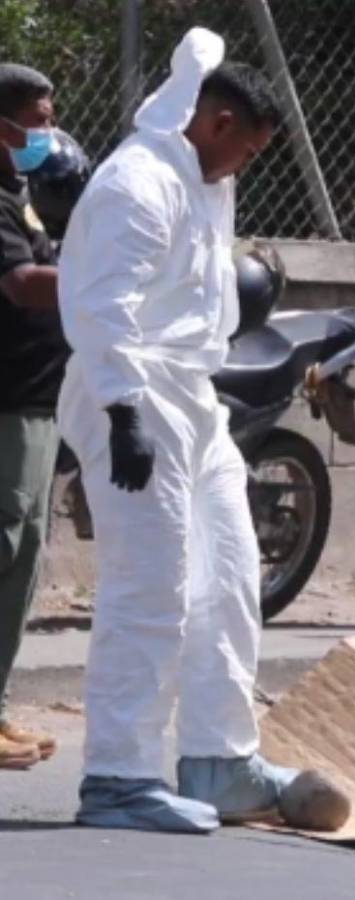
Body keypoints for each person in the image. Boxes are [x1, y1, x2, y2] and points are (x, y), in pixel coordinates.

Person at [56, 28, 309, 834]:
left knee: (230, 578)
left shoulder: (204, 179)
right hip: (127, 388)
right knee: (152, 583)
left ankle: (220, 760)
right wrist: (124, 410)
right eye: (252, 149)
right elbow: (102, 304)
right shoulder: (138, 181)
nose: (249, 166)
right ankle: (118, 778)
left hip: (191, 396)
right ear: (218, 121)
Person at [0, 62, 65, 770]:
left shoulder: (19, 192)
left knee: (20, 562)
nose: (50, 131)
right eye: (41, 119)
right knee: (4, 550)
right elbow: (20, 284)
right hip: (7, 406)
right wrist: (108, 272)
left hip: (36, 401)